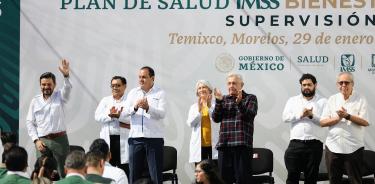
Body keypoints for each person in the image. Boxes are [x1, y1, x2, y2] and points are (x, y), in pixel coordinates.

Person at [120, 66, 167, 184]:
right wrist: (135, 107)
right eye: (140, 77)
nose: (141, 79)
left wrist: (148, 108)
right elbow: (124, 113)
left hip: (154, 139)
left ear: (152, 78)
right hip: (135, 139)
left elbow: (162, 114)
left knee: (155, 175)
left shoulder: (160, 93)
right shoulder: (132, 93)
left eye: (144, 77)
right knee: (133, 175)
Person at [320, 72, 369, 184]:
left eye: (346, 82)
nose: (343, 85)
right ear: (337, 85)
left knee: (355, 181)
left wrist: (347, 116)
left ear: (352, 84)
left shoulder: (360, 99)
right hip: (333, 148)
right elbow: (322, 122)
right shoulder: (332, 99)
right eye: (340, 83)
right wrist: (337, 118)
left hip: (353, 148)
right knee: (334, 181)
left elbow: (365, 122)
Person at [26, 59, 72, 178]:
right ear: (40, 85)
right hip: (42, 142)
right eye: (43, 84)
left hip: (60, 140)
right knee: (42, 173)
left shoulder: (60, 96)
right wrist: (36, 140)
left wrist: (66, 76)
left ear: (54, 85)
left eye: (49, 84)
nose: (46, 87)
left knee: (63, 173)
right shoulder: (35, 101)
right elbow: (29, 122)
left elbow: (67, 89)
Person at [212, 73, 258, 184]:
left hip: (241, 146)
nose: (231, 85)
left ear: (241, 85)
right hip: (224, 145)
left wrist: (239, 103)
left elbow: (250, 115)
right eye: (229, 83)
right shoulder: (223, 100)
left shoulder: (250, 98)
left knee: (243, 179)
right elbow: (216, 118)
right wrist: (218, 101)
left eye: (234, 83)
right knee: (223, 180)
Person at [282, 73, 327, 184]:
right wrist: (300, 115)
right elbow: (285, 117)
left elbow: (324, 122)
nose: (306, 87)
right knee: (292, 178)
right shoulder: (292, 100)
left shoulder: (323, 102)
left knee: (311, 179)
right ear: (301, 86)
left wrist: (311, 116)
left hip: (314, 145)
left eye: (309, 85)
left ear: (315, 85)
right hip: (295, 144)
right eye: (304, 85)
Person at [95, 76, 130, 176]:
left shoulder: (129, 100)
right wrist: (110, 116)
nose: (115, 88)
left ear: (124, 86)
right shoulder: (105, 100)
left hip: (123, 139)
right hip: (108, 139)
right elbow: (97, 116)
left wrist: (119, 116)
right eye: (113, 86)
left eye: (118, 85)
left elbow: (133, 119)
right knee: (107, 169)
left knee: (124, 169)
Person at [187, 80, 219, 165]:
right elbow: (191, 124)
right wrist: (200, 111)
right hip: (199, 146)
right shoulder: (193, 107)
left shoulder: (216, 105)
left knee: (215, 173)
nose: (201, 89)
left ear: (209, 90)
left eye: (204, 87)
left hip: (214, 145)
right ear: (197, 92)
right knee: (201, 173)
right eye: (199, 88)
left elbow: (217, 119)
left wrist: (207, 106)